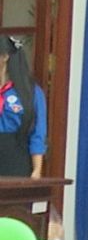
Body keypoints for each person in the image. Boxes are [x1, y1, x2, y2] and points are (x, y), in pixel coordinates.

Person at [0, 37, 45, 178]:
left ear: (5, 57)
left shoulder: (30, 92)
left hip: (17, 158)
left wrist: (37, 170)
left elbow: (38, 132)